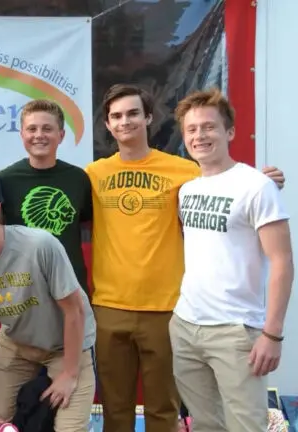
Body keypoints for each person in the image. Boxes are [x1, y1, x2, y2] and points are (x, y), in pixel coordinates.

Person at [85, 84, 286, 432]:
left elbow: (226, 177)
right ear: (107, 125)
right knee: (115, 410)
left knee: (163, 410)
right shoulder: (92, 175)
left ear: (148, 118)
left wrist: (264, 180)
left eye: (133, 113)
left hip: (167, 309)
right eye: (116, 116)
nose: (125, 121)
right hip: (112, 307)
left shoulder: (185, 171)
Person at [169, 88, 293, 431]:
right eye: (191, 130)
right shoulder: (187, 190)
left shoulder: (256, 186)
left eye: (209, 127)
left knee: (246, 426)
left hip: (236, 332)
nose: (199, 136)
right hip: (185, 327)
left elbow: (282, 261)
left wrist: (273, 334)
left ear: (230, 132)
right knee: (207, 424)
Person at [0, 169, 96, 432]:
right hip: (17, 342)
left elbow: (75, 311)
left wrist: (69, 374)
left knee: (70, 429)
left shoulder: (39, 245)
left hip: (67, 344)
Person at [0, 99, 92, 298]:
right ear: (22, 134)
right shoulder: (5, 179)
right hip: (22, 290)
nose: (39, 135)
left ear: (61, 135)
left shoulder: (78, 178)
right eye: (32, 129)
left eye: (47, 128)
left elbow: (88, 228)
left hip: (71, 287)